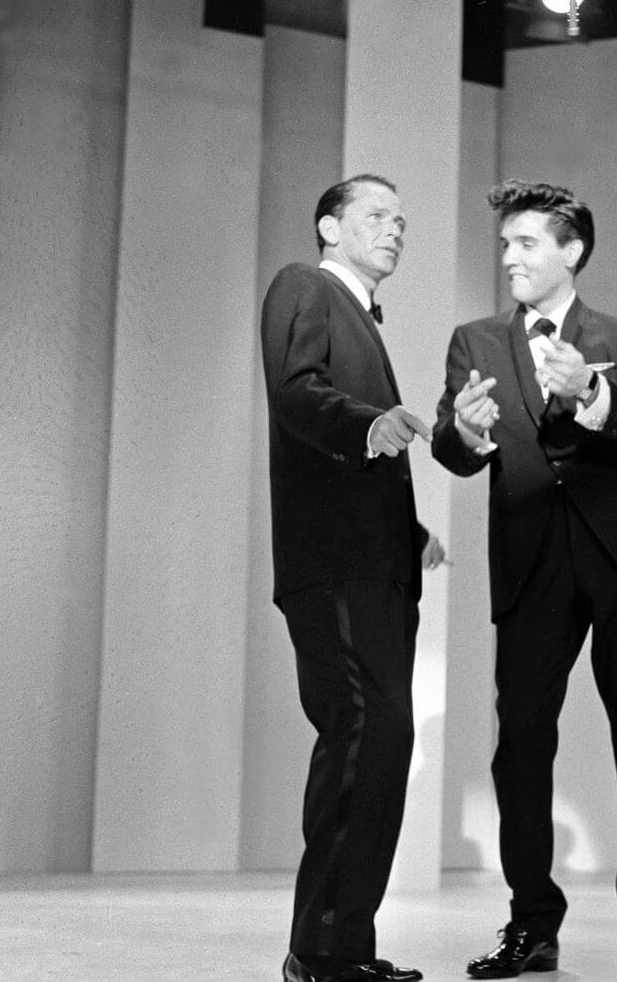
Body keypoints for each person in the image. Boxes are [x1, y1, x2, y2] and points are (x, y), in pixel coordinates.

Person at [432, 180, 617, 982]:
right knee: (522, 751)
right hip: (532, 562)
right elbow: (451, 445)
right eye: (504, 245)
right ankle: (531, 925)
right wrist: (463, 435)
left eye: (526, 243)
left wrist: (596, 393)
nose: (509, 257)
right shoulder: (474, 341)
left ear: (571, 250)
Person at [261, 174, 443, 982]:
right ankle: (321, 952)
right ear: (329, 227)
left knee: (381, 743)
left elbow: (364, 453)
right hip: (333, 566)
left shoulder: (365, 321)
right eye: (377, 215)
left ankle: (340, 947)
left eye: (403, 220)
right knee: (363, 732)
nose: (395, 229)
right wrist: (367, 425)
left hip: (374, 566)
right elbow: (298, 395)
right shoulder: (306, 286)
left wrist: (411, 534)